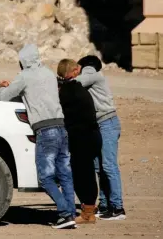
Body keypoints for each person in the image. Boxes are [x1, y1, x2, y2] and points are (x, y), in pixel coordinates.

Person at [0, 44, 76, 229]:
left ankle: (64, 213)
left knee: (45, 177)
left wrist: (2, 87)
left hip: (45, 130)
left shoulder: (24, 76)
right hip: (62, 127)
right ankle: (71, 213)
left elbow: (5, 97)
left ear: (23, 61)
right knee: (65, 174)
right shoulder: (49, 73)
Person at [76, 55, 126, 220]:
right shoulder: (92, 78)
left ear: (86, 67)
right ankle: (105, 205)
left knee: (109, 166)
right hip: (99, 125)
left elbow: (76, 82)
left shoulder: (92, 74)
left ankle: (118, 208)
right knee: (99, 167)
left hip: (107, 123)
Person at [56, 59, 102, 224]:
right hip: (89, 137)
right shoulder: (77, 89)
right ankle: (88, 209)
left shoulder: (69, 91)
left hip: (83, 139)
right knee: (85, 173)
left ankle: (88, 212)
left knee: (84, 174)